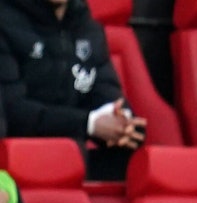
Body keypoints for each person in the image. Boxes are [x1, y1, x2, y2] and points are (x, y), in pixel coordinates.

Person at [0, 0, 146, 180]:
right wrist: (88, 124)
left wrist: (123, 123)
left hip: (73, 160)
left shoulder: (86, 28)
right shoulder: (5, 22)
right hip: (15, 165)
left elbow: (106, 93)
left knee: (143, 161)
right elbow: (13, 112)